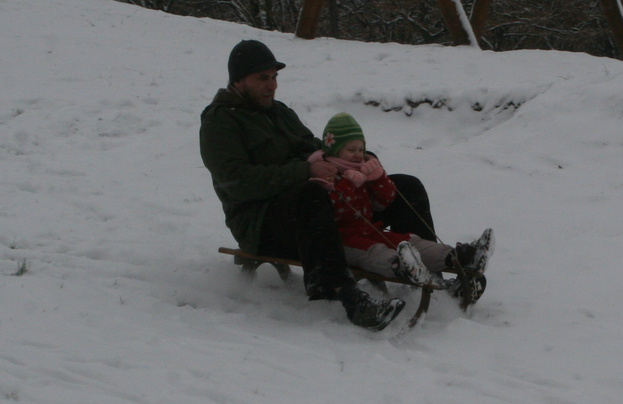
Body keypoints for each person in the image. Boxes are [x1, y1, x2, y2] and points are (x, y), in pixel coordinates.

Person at [200, 39, 474, 330]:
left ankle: (431, 271)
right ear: (239, 81)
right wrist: (306, 171)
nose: (272, 85)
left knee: (405, 185)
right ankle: (348, 297)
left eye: (275, 77)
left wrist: (356, 161)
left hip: (316, 203)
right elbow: (237, 181)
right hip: (261, 222)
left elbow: (318, 148)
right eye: (263, 78)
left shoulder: (279, 113)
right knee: (310, 195)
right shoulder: (220, 123)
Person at [309, 112, 489, 304]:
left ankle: (458, 256)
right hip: (346, 240)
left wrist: (378, 178)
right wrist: (348, 184)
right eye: (351, 150)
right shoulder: (326, 175)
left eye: (361, 149)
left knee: (409, 241)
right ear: (335, 151)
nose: (358, 155)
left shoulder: (362, 169)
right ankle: (403, 266)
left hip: (371, 230)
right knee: (376, 252)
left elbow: (384, 201)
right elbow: (336, 211)